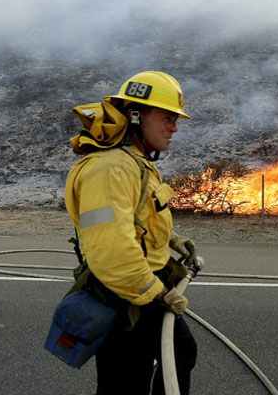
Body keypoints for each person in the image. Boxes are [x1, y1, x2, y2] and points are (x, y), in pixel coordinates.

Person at [64, 71, 198, 393]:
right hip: (125, 296)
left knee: (179, 354)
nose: (174, 128)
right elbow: (112, 250)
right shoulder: (111, 169)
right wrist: (159, 294)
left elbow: (136, 217)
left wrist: (170, 239)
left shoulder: (133, 161)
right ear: (135, 115)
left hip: (140, 287)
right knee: (126, 382)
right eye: (167, 118)